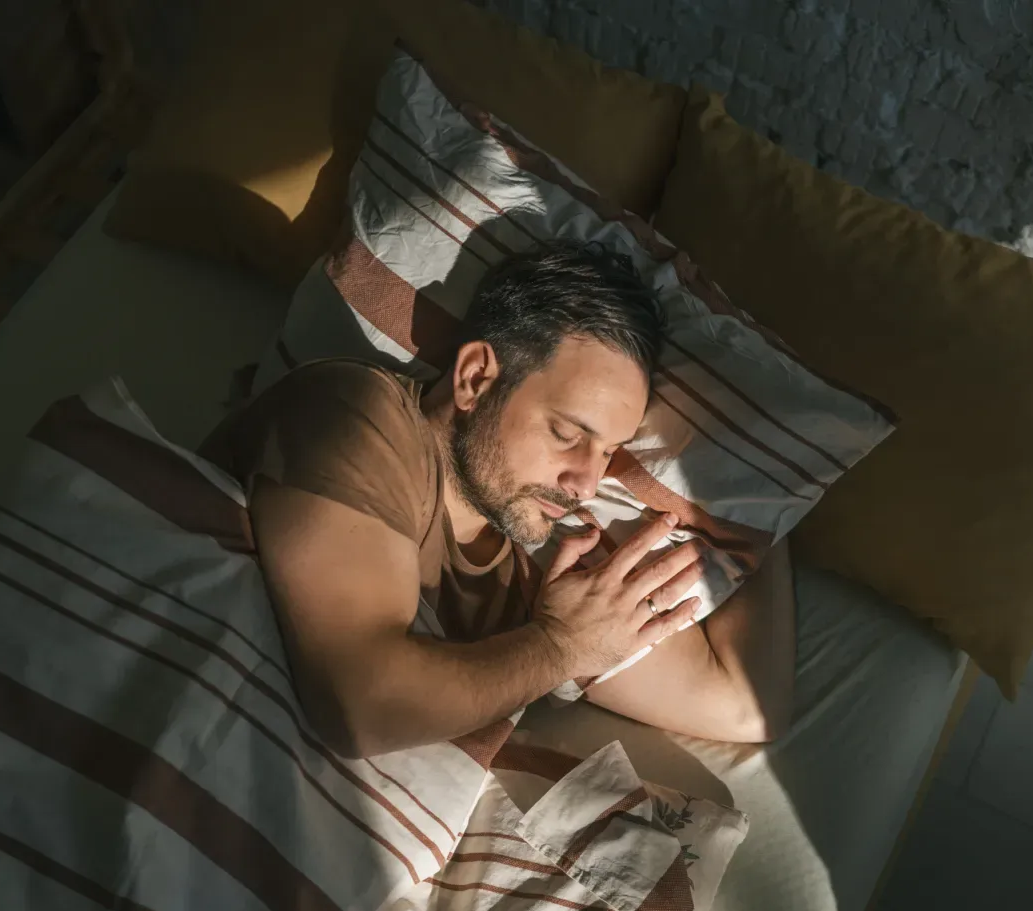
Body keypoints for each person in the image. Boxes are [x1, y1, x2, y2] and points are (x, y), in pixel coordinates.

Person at [200, 241, 795, 758]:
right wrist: (559, 648)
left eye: (609, 453)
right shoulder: (355, 415)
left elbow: (745, 708)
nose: (585, 485)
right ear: (475, 377)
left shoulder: (534, 579)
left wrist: (761, 503)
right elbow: (362, 708)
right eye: (567, 434)